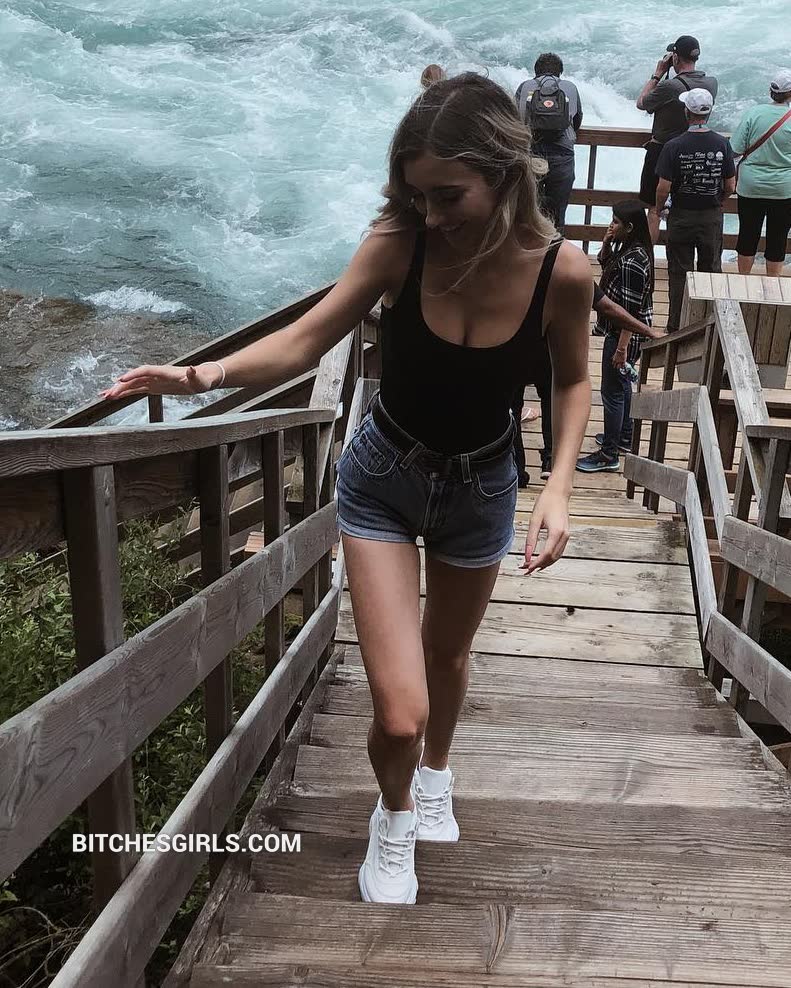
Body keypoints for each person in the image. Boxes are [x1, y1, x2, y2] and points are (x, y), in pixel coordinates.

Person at [101, 73, 593, 905]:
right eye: (416, 195)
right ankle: (393, 816)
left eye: (447, 196)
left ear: (505, 174)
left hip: (483, 485)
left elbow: (574, 380)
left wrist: (557, 489)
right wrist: (198, 376)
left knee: (448, 655)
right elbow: (305, 341)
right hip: (384, 479)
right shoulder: (398, 244)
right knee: (399, 711)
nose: (430, 215)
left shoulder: (563, 273)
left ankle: (435, 775)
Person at [513, 287, 663, 483]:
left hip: (514, 346)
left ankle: (516, 470)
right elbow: (606, 306)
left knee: (512, 408)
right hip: (550, 347)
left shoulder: (512, 270)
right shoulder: (563, 270)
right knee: (551, 402)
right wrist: (649, 331)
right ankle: (550, 460)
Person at [577, 201, 655, 473]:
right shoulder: (630, 250)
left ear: (630, 227)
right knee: (622, 386)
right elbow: (607, 266)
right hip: (623, 332)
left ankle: (608, 454)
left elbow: (630, 312)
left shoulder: (634, 261)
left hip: (624, 335)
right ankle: (624, 437)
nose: (611, 225)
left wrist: (621, 349)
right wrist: (606, 243)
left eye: (616, 222)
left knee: (611, 392)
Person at [656, 89, 736, 334]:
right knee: (710, 271)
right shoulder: (722, 143)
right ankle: (709, 325)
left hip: (681, 215)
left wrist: (660, 209)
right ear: (709, 113)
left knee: (679, 272)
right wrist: (718, 201)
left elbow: (663, 188)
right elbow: (730, 185)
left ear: (686, 112)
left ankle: (676, 326)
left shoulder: (674, 146)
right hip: (710, 215)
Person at [636, 36, 718, 242]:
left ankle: (648, 256)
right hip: (694, 152)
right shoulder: (711, 83)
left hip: (662, 151)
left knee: (654, 209)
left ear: (675, 57)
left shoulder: (670, 86)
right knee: (682, 208)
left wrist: (657, 74)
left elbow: (642, 103)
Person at [731, 69, 791, 276]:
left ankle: (743, 281)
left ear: (771, 91)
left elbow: (735, 149)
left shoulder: (753, 113)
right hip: (783, 189)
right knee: (778, 239)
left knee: (747, 235)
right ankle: (773, 285)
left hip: (750, 186)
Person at [515, 52, 583, 233]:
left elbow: (514, 119)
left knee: (529, 209)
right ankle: (555, 245)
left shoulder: (525, 86)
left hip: (531, 153)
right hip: (562, 154)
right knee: (558, 212)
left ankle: (530, 246)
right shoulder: (570, 87)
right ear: (560, 72)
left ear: (536, 71)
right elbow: (577, 121)